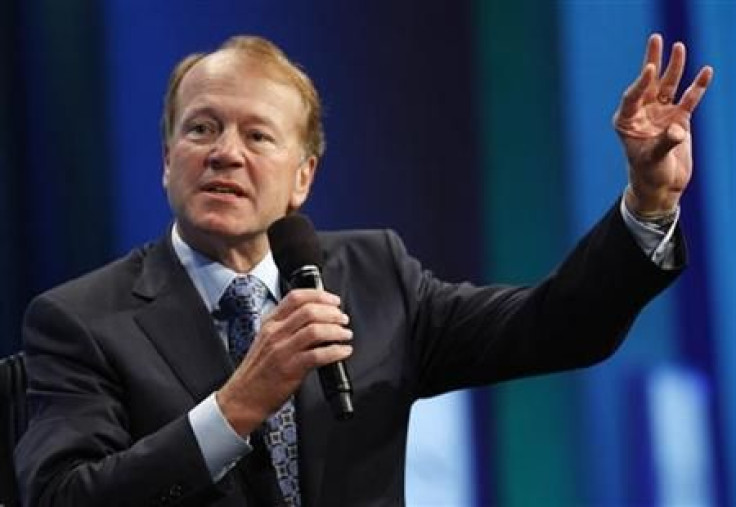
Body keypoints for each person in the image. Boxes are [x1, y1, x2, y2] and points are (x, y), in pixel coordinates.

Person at [15, 33, 712, 506]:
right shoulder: (81, 319)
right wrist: (234, 409)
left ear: (303, 178)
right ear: (167, 159)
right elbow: (62, 496)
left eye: (257, 135)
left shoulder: (374, 273)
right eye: (201, 129)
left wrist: (647, 204)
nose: (224, 152)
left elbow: (558, 327)